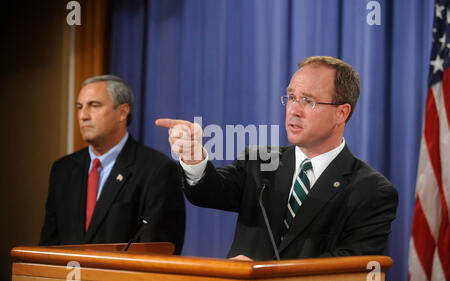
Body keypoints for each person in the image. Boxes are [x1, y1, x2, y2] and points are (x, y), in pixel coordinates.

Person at [156, 56, 398, 260]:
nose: (294, 109)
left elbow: (350, 271)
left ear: (341, 113)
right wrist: (193, 156)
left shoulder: (372, 191)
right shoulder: (261, 162)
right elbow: (207, 192)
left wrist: (265, 276)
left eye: (308, 101)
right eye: (291, 97)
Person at [40, 75, 186, 254]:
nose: (83, 116)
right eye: (80, 107)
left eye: (94, 106)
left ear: (123, 112)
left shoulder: (157, 170)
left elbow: (158, 252)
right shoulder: (62, 170)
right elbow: (48, 247)